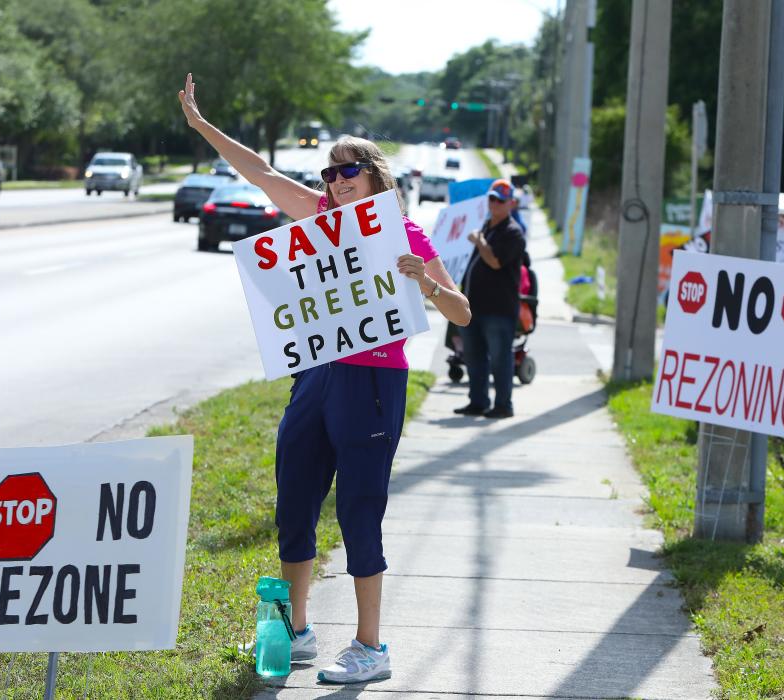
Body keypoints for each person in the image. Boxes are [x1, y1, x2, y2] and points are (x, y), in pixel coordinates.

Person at [178, 74, 471, 684]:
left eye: (348, 171)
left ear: (374, 177)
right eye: (329, 174)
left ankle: (370, 646)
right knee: (296, 503)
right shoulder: (317, 219)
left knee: (360, 512)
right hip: (314, 377)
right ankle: (299, 631)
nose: (335, 182)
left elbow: (462, 312)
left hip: (372, 383)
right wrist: (202, 127)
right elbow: (259, 173)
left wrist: (425, 281)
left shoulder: (406, 234)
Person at [454, 179, 526, 419]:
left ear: (511, 204)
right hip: (474, 307)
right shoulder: (485, 227)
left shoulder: (513, 233)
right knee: (474, 358)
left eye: (500, 201)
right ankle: (478, 401)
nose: (494, 204)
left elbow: (495, 261)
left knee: (500, 360)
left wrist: (480, 242)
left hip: (499, 309)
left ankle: (503, 405)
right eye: (492, 199)